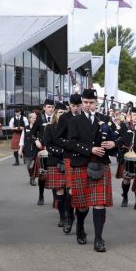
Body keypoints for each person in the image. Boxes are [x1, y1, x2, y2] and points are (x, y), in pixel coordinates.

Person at [68, 88, 120, 252]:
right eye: (85, 102)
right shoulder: (75, 121)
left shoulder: (105, 119)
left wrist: (114, 144)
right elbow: (71, 143)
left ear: (96, 103)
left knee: (99, 203)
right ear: (82, 102)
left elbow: (119, 137)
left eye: (91, 103)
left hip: (101, 165)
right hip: (82, 164)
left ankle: (98, 238)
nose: (88, 105)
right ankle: (81, 226)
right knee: (82, 205)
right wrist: (89, 149)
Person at [54, 93, 83, 234]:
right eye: (73, 106)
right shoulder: (64, 118)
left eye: (78, 106)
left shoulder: (86, 117)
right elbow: (58, 139)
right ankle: (69, 217)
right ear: (69, 105)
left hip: (84, 157)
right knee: (71, 189)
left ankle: (80, 220)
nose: (76, 108)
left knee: (81, 190)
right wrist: (72, 145)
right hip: (70, 157)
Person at [43, 103, 68, 228]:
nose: (62, 114)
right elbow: (48, 145)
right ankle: (62, 216)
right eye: (60, 112)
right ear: (55, 113)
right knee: (59, 191)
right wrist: (61, 152)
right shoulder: (50, 128)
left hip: (70, 161)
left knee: (70, 192)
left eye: (64, 112)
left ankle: (70, 214)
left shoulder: (71, 126)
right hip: (55, 161)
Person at [117, 105, 136, 208]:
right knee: (126, 179)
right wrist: (121, 154)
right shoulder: (125, 126)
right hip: (127, 155)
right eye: (134, 115)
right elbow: (119, 139)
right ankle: (125, 196)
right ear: (130, 115)